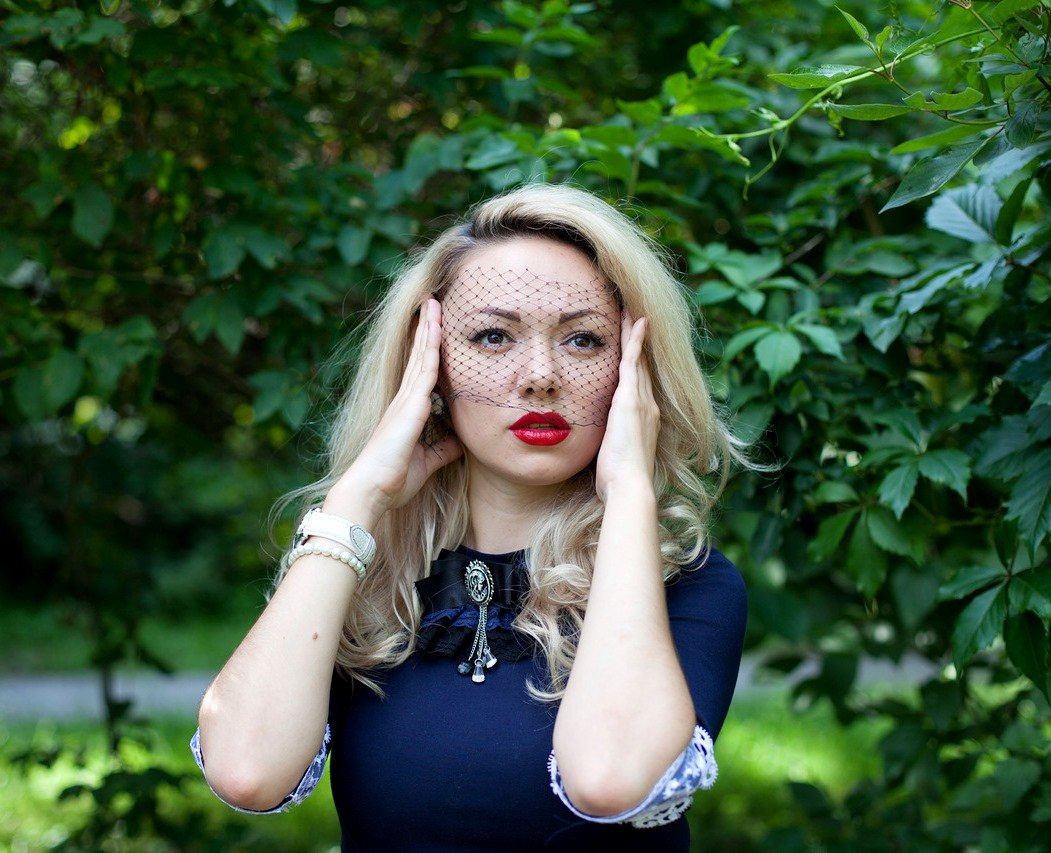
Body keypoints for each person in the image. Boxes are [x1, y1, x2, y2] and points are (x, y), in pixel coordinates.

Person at [192, 183, 748, 851]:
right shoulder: (366, 580)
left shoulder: (689, 586)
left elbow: (610, 779)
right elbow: (245, 772)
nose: (540, 376)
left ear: (635, 370)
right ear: (430, 368)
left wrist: (630, 490)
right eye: (492, 336)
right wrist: (359, 496)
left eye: (582, 339)